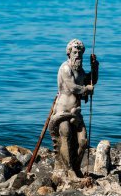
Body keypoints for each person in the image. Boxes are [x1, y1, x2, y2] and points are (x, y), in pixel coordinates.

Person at [48, 39, 99, 178]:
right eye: (75, 52)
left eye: (80, 53)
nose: (78, 56)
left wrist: (95, 68)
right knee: (66, 137)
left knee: (83, 142)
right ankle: (69, 170)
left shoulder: (80, 70)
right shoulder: (65, 68)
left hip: (76, 112)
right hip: (63, 110)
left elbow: (91, 81)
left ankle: (75, 167)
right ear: (69, 53)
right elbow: (73, 87)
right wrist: (87, 89)